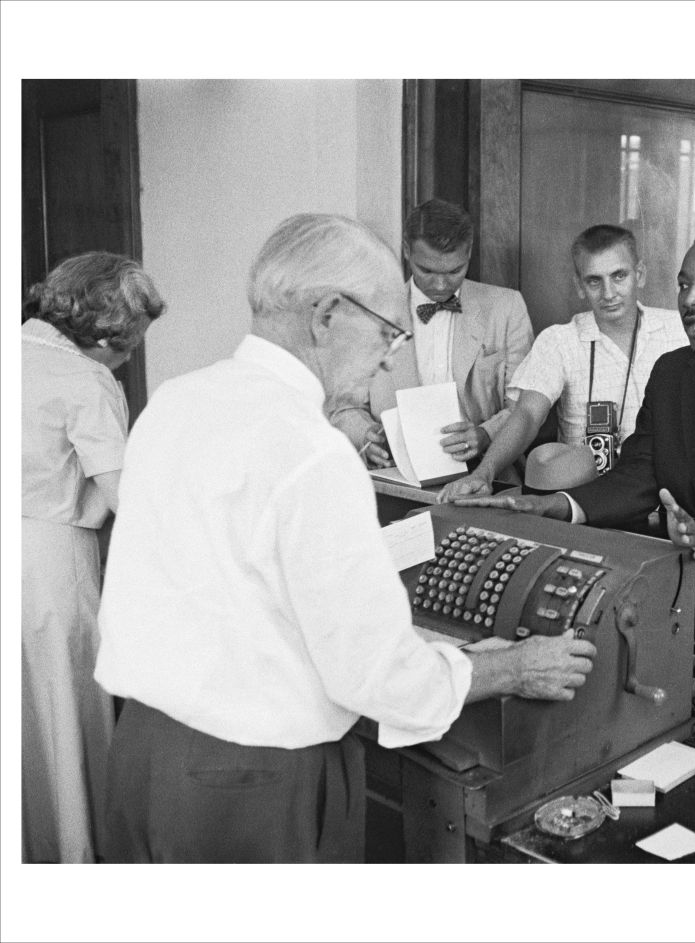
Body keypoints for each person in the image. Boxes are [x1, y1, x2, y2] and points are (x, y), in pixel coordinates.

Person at [94, 214, 595, 863]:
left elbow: (242, 595)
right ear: (326, 315)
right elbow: (377, 677)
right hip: (250, 784)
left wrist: (417, 643)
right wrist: (513, 666)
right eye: (388, 331)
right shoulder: (314, 452)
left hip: (138, 754)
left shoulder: (174, 400)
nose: (392, 352)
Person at [453, 228, 695, 570]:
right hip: (679, 579)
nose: (691, 299)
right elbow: (640, 474)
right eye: (684, 284)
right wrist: (557, 506)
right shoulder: (673, 372)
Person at [21, 252, 166, 863]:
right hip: (50, 560)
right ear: (108, 337)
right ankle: (74, 856)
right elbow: (127, 502)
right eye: (130, 347)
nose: (129, 360)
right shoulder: (85, 380)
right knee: (61, 707)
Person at [438, 224, 685, 502]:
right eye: (594, 281)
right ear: (579, 285)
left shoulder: (679, 331)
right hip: (586, 502)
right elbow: (528, 414)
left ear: (639, 275)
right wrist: (484, 472)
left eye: (619, 276)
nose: (608, 293)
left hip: (669, 499)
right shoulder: (559, 340)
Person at [327, 198, 533, 476]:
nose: (439, 285)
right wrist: (365, 435)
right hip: (395, 477)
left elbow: (525, 406)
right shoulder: (368, 313)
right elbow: (343, 407)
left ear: (469, 253)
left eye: (454, 271)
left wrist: (486, 434)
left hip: (487, 475)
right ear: (406, 251)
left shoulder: (506, 307)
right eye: (426, 271)